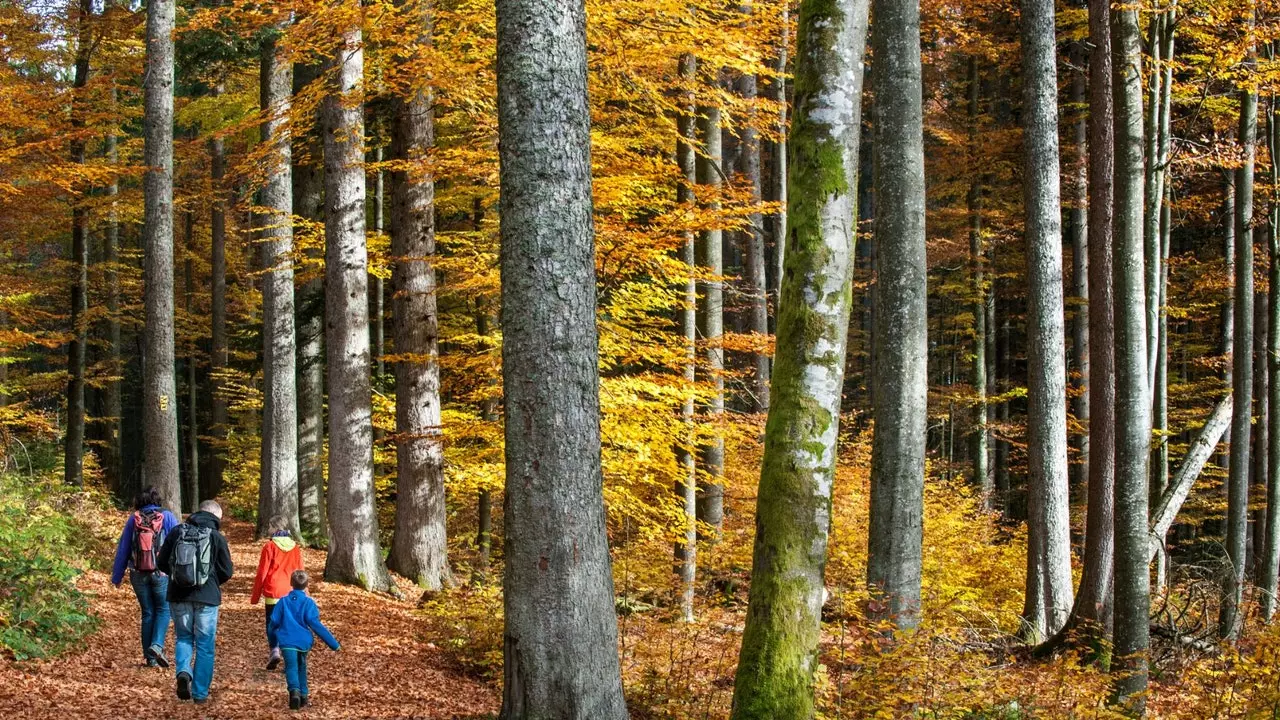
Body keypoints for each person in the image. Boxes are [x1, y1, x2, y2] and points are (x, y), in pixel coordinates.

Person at [157, 499, 234, 705]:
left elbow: (161, 562)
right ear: (216, 517)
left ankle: (183, 672)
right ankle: (200, 694)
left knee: (183, 638)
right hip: (207, 598)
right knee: (205, 645)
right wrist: (210, 580)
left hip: (178, 596)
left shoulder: (177, 532)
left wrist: (178, 577)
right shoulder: (217, 537)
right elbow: (227, 571)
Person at [110, 486, 180, 668]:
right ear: (157, 500)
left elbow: (123, 548)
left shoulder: (134, 519)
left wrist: (117, 576)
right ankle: (156, 646)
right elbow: (179, 544)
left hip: (137, 573)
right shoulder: (168, 517)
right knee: (164, 610)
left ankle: (150, 658)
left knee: (148, 612)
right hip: (161, 573)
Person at [270, 570, 340, 710]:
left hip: (287, 641)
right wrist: (334, 644)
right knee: (301, 666)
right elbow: (316, 625)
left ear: (291, 583)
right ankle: (304, 696)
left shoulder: (283, 602)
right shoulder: (309, 603)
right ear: (307, 585)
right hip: (303, 642)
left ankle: (294, 692)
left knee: (291, 667)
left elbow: (273, 622)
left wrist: (273, 640)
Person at [250, 516, 304, 670]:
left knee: (272, 623)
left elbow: (262, 572)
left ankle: (274, 650)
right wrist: (304, 593)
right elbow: (301, 572)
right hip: (291, 592)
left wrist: (255, 596)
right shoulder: (295, 547)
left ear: (274, 527)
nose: (268, 529)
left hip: (273, 592)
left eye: (269, 526)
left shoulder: (269, 547)